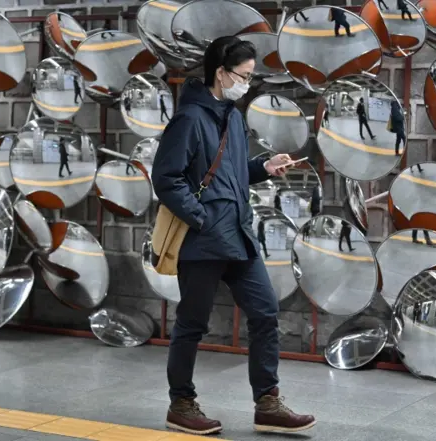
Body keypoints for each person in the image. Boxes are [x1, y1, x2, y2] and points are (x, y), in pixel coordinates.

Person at [151, 36, 315, 436]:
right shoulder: (189, 119)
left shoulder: (233, 117)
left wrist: (263, 167)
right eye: (243, 76)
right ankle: (181, 405)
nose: (247, 82)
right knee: (192, 323)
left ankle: (267, 403)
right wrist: (199, 217)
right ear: (221, 73)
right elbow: (166, 177)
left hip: (238, 234)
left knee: (264, 313)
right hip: (203, 238)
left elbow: (232, 171)